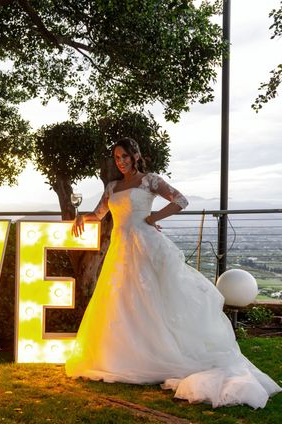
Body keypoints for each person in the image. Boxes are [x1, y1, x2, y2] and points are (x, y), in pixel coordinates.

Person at [67, 137, 280, 408]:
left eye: (124, 156)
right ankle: (130, 355)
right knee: (124, 302)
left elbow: (181, 200)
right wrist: (79, 216)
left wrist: (153, 218)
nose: (120, 162)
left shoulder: (150, 181)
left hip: (145, 245)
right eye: (116, 157)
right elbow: (98, 215)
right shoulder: (112, 186)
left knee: (154, 298)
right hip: (120, 250)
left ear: (135, 156)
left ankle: (163, 353)